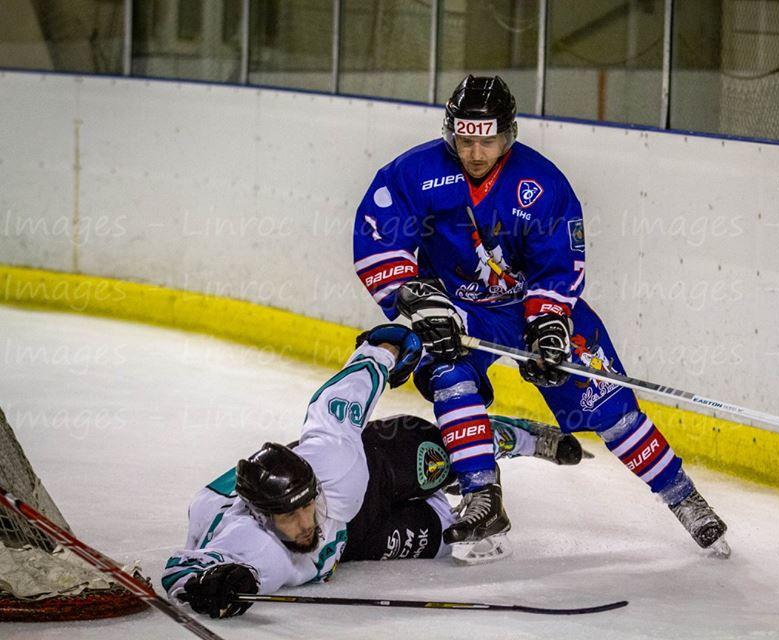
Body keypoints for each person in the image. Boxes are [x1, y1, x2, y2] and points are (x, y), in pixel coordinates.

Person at [353, 75, 728, 557]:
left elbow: (559, 265)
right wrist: (418, 299)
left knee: (611, 410)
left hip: (532, 305)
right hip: (461, 310)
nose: (475, 152)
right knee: (449, 375)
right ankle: (483, 497)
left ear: (508, 133)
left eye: (487, 139)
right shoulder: (414, 173)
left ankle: (684, 498)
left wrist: (549, 325)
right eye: (465, 139)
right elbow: (377, 238)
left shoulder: (541, 183)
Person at [162, 324, 583, 619]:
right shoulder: (254, 548)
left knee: (438, 456)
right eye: (289, 517)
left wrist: (384, 351)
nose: (306, 523)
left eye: (306, 506)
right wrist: (213, 585)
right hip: (355, 538)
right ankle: (440, 498)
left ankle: (518, 438)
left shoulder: (334, 464)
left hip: (374, 469)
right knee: (441, 536)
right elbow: (182, 568)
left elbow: (341, 399)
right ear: (262, 519)